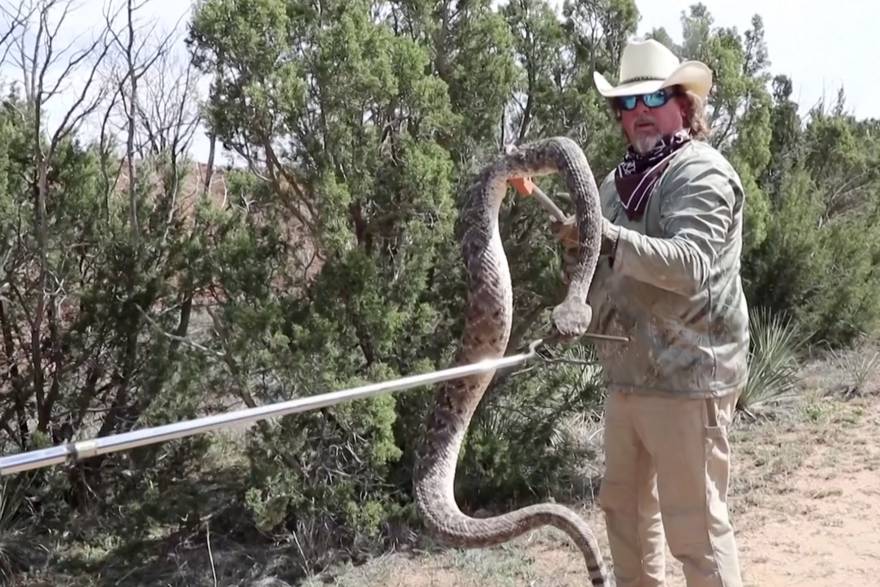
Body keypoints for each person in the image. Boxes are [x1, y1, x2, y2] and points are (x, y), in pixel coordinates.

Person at [552, 38, 750, 587]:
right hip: (628, 378)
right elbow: (597, 273)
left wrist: (606, 237)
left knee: (697, 533)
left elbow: (691, 266)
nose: (640, 114)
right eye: (627, 104)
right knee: (627, 520)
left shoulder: (702, 172)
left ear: (682, 104)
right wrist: (576, 261)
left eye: (654, 98)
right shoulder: (613, 186)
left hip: (691, 379)